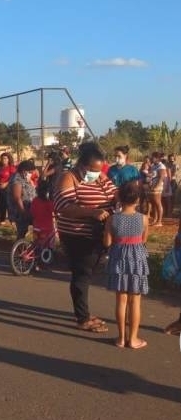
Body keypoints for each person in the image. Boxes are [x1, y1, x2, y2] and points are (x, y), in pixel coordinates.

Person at [53, 141, 117, 333]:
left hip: (98, 235)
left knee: (87, 273)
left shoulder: (100, 177)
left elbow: (112, 193)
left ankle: (84, 312)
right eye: (93, 170)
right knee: (81, 275)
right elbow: (62, 206)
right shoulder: (68, 177)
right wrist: (91, 212)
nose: (97, 173)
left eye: (100, 169)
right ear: (83, 166)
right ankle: (83, 318)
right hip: (77, 236)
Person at [103, 180, 149, 349]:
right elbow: (144, 240)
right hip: (137, 260)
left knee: (121, 301)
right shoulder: (144, 219)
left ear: (119, 198)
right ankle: (134, 338)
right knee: (135, 301)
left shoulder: (112, 219)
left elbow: (107, 243)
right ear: (138, 200)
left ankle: (121, 338)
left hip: (118, 259)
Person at [7, 160, 37, 240]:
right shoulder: (17, 179)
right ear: (24, 171)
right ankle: (20, 250)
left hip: (29, 208)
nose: (31, 174)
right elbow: (17, 197)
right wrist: (23, 212)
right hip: (20, 210)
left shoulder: (24, 178)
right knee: (22, 231)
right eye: (30, 172)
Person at [0, 152, 16, 225]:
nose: (3, 160)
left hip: (8, 188)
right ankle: (2, 219)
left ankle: (12, 220)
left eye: (5, 158)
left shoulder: (11, 168)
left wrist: (6, 183)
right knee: (1, 204)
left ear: (9, 159)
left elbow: (13, 178)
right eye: (2, 158)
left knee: (8, 203)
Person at [147, 151, 167, 227]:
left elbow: (161, 177)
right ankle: (155, 220)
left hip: (157, 187)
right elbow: (151, 175)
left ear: (157, 158)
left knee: (158, 203)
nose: (152, 158)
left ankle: (159, 221)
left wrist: (157, 186)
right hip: (152, 186)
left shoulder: (161, 166)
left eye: (153, 157)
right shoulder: (153, 166)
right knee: (153, 203)